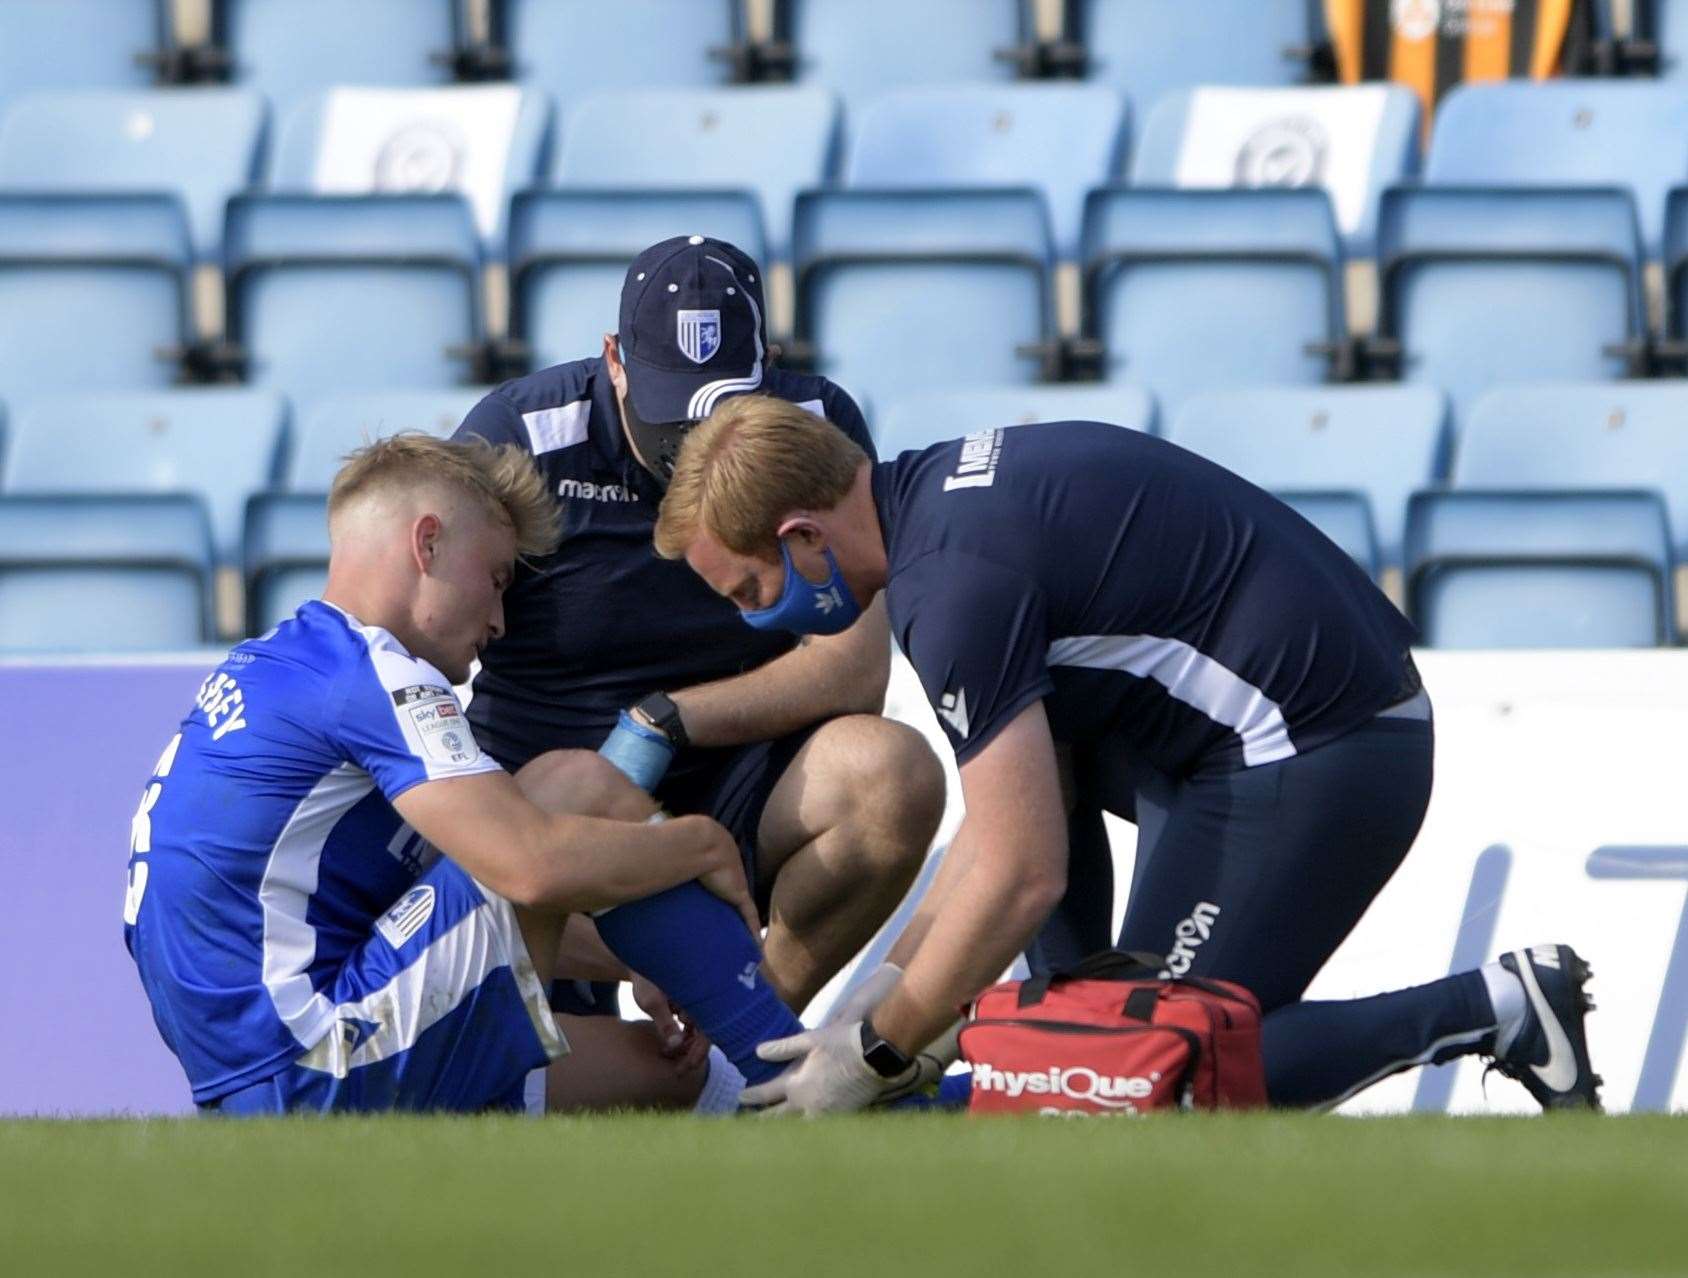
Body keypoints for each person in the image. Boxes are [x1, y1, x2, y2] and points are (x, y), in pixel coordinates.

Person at [652, 398, 1603, 1115]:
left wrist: (881, 1051)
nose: (752, 618)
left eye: (751, 589)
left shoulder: (951, 592)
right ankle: (1079, 1021)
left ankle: (1505, 1006)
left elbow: (1022, 871)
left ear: (803, 536)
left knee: (1149, 1075)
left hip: (1320, 744)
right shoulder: (935, 503)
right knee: (1081, 1025)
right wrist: (893, 993)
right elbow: (1016, 811)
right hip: (1249, 738)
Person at [123, 433, 781, 1115]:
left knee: (671, 1072)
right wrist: (703, 843)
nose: (499, 620)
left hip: (262, 1082)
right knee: (570, 787)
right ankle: (796, 1067)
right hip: (319, 1057)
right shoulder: (376, 674)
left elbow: (477, 896)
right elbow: (530, 870)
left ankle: (769, 1095)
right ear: (427, 543)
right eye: (497, 579)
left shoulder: (273, 664)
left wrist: (638, 963)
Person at [453, 235, 944, 1020]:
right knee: (553, 1093)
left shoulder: (815, 423)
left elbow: (855, 668)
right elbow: (433, 632)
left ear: (766, 365)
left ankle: (742, 1036)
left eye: (718, 409)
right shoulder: (519, 433)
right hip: (548, 789)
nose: (692, 450)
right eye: (669, 418)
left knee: (891, 774)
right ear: (613, 359)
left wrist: (663, 722)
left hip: (739, 778)